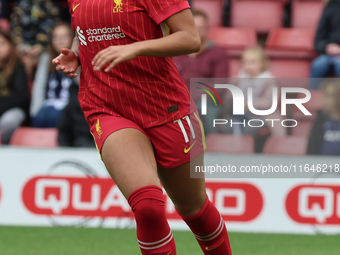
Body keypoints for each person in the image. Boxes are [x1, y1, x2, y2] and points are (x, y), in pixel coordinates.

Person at [53, 1, 232, 254]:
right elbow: (83, 29)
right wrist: (76, 52)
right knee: (147, 207)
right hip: (106, 107)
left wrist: (136, 49)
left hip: (165, 107)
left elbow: (191, 38)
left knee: (194, 210)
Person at [173, 9, 229, 135]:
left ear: (207, 29)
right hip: (178, 100)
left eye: (200, 27)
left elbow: (220, 84)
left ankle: (211, 147)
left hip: (206, 102)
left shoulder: (218, 53)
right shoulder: (175, 51)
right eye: (193, 27)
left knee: (200, 110)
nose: (196, 31)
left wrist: (195, 95)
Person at [221, 46, 286, 137]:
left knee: (250, 128)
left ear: (262, 63)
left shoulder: (270, 80)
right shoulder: (239, 79)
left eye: (252, 62)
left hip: (264, 116)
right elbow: (227, 101)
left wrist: (246, 105)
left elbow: (268, 103)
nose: (248, 65)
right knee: (227, 126)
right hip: (241, 115)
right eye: (245, 62)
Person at [30, 22, 74, 128]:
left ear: (73, 39)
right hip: (48, 105)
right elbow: (39, 87)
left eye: (64, 36)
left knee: (56, 117)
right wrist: (35, 111)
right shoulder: (46, 58)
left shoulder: (78, 59)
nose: (60, 40)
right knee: (40, 117)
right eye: (56, 37)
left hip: (68, 107)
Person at [10, 0, 60, 82]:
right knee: (19, 60)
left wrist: (40, 46)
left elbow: (51, 28)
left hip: (45, 47)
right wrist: (21, 46)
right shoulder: (21, 4)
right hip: (22, 47)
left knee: (46, 60)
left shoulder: (51, 5)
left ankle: (37, 91)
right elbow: (15, 27)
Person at [0, 30, 29, 144]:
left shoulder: (18, 67)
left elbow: (21, 97)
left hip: (14, 109)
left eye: (2, 44)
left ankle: (6, 151)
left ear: (10, 45)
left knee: (9, 121)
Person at [309, 0, 340, 89]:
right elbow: (318, 40)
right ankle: (313, 99)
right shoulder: (330, 7)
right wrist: (327, 47)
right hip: (329, 54)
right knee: (318, 65)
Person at [58, 81, 95, 148]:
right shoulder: (73, 104)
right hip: (79, 148)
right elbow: (64, 133)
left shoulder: (108, 103)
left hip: (102, 146)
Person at [307, 79, 340, 155]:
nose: (324, 100)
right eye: (324, 96)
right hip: (323, 165)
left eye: (329, 96)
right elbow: (312, 148)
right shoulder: (321, 119)